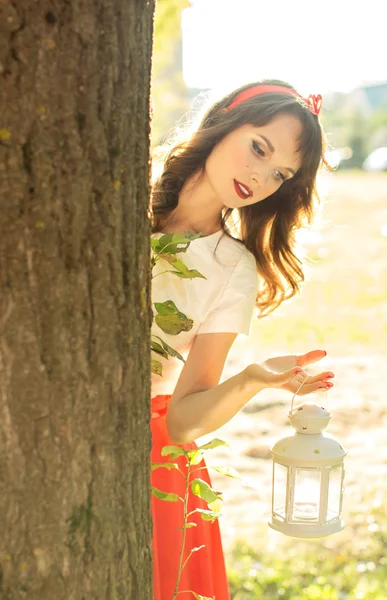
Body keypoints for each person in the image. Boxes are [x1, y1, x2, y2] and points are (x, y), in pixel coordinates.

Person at [150, 80, 334, 600]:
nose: (261, 175)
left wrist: (251, 379)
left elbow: (183, 422)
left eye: (281, 174)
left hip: (147, 459)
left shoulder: (232, 269)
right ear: (226, 122)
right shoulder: (117, 199)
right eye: (259, 147)